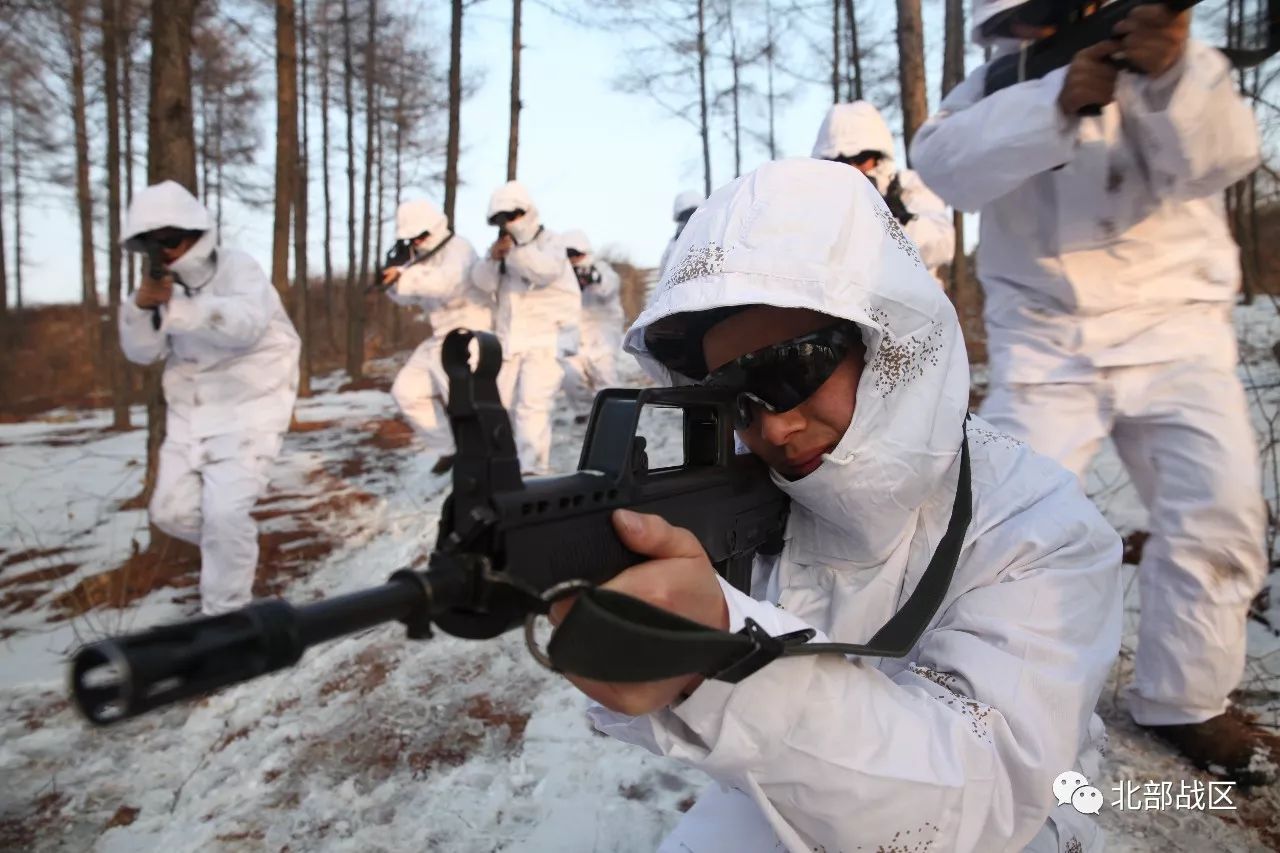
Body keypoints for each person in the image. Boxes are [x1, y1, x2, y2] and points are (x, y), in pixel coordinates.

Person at [554, 159, 1122, 852]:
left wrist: (724, 662)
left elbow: (984, 794)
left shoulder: (1040, 526)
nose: (772, 428)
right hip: (788, 788)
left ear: (887, 341)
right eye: (736, 398)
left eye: (791, 373)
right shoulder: (753, 495)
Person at [910, 0, 1272, 783]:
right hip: (1049, 344)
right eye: (1035, 19)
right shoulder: (993, 90)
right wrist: (1055, 100)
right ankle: (988, 691)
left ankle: (1186, 697)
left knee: (1220, 512)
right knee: (1006, 523)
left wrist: (1171, 74)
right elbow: (943, 165)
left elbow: (1223, 158)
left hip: (1180, 333)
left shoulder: (1180, 58)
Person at [118, 180, 300, 616]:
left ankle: (228, 617)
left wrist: (183, 312)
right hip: (190, 421)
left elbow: (245, 325)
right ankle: (235, 548)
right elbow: (142, 353)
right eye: (153, 245)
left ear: (196, 233)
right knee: (169, 512)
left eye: (172, 241)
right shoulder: (163, 288)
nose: (167, 254)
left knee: (223, 518)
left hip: (249, 411)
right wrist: (142, 309)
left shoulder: (239, 268)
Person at [471, 180, 580, 475]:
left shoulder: (551, 242)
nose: (508, 224)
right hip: (511, 341)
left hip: (547, 339)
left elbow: (543, 271)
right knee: (499, 404)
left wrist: (515, 252)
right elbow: (482, 284)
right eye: (500, 219)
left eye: (512, 216)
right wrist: (494, 258)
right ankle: (502, 467)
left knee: (531, 408)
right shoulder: (502, 251)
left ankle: (531, 472)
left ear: (527, 211)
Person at [381, 199, 491, 475]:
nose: (417, 242)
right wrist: (393, 279)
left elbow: (446, 284)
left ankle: (489, 456)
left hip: (471, 333)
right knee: (406, 391)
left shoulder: (459, 248)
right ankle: (448, 449)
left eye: (421, 236)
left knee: (468, 400)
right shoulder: (419, 260)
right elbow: (405, 298)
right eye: (412, 239)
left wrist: (406, 274)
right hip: (440, 337)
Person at [812, 101, 955, 285]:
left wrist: (894, 221)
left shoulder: (908, 188)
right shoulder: (818, 203)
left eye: (861, 157)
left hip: (908, 306)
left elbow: (941, 245)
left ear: (878, 156)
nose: (853, 167)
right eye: (840, 160)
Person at [561, 229, 624, 403]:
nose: (572, 258)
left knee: (606, 382)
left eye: (575, 253)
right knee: (569, 378)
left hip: (602, 339)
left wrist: (592, 279)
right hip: (575, 338)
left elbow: (608, 287)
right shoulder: (562, 275)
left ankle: (610, 416)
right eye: (568, 254)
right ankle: (585, 414)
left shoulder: (600, 269)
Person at [658, 189, 703, 275]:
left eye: (694, 213)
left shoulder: (710, 237)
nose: (690, 219)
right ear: (680, 218)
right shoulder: (673, 247)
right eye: (686, 215)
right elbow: (663, 275)